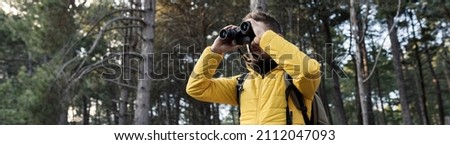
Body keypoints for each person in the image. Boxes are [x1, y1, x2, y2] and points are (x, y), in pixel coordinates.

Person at [186, 11, 321, 125]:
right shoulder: (241, 84)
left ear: (277, 38)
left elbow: (309, 71)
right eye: (250, 38)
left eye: (257, 35)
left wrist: (266, 39)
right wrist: (215, 52)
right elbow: (196, 88)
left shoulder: (295, 79)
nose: (253, 43)